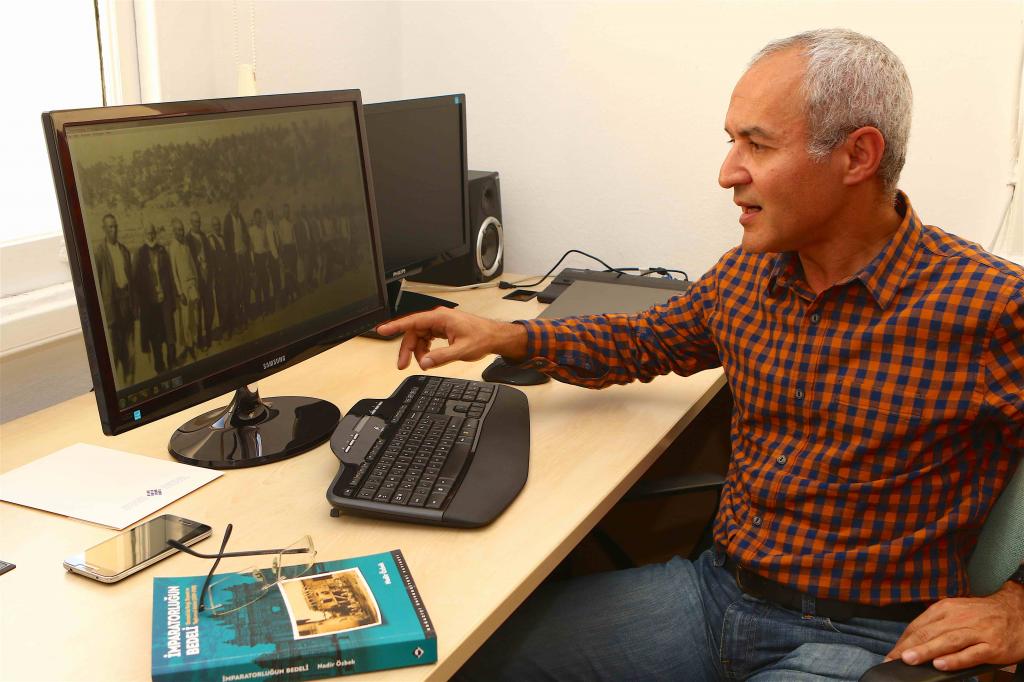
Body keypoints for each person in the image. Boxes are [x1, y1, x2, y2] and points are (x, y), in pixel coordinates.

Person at [376, 29, 1024, 680]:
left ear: (857, 155)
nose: (728, 173)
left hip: (863, 636)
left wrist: (1017, 605)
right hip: (714, 595)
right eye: (731, 141)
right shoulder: (749, 275)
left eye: (757, 145)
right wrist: (506, 336)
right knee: (464, 660)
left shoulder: (991, 305)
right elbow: (643, 340)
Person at [93, 213, 135, 386]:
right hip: (112, 307)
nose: (114, 230)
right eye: (110, 227)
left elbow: (130, 279)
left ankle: (130, 386)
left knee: (130, 351)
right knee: (114, 352)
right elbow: (96, 283)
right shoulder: (99, 253)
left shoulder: (124, 250)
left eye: (115, 226)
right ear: (104, 229)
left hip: (126, 304)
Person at [133, 224, 176, 373]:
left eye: (152, 233)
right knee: (155, 335)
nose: (150, 236)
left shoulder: (162, 250)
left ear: (155, 234)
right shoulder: (140, 253)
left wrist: (172, 298)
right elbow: (136, 281)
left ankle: (172, 359)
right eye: (148, 233)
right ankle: (159, 365)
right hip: (150, 303)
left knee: (169, 330)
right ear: (144, 235)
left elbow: (170, 275)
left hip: (165, 298)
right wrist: (139, 305)